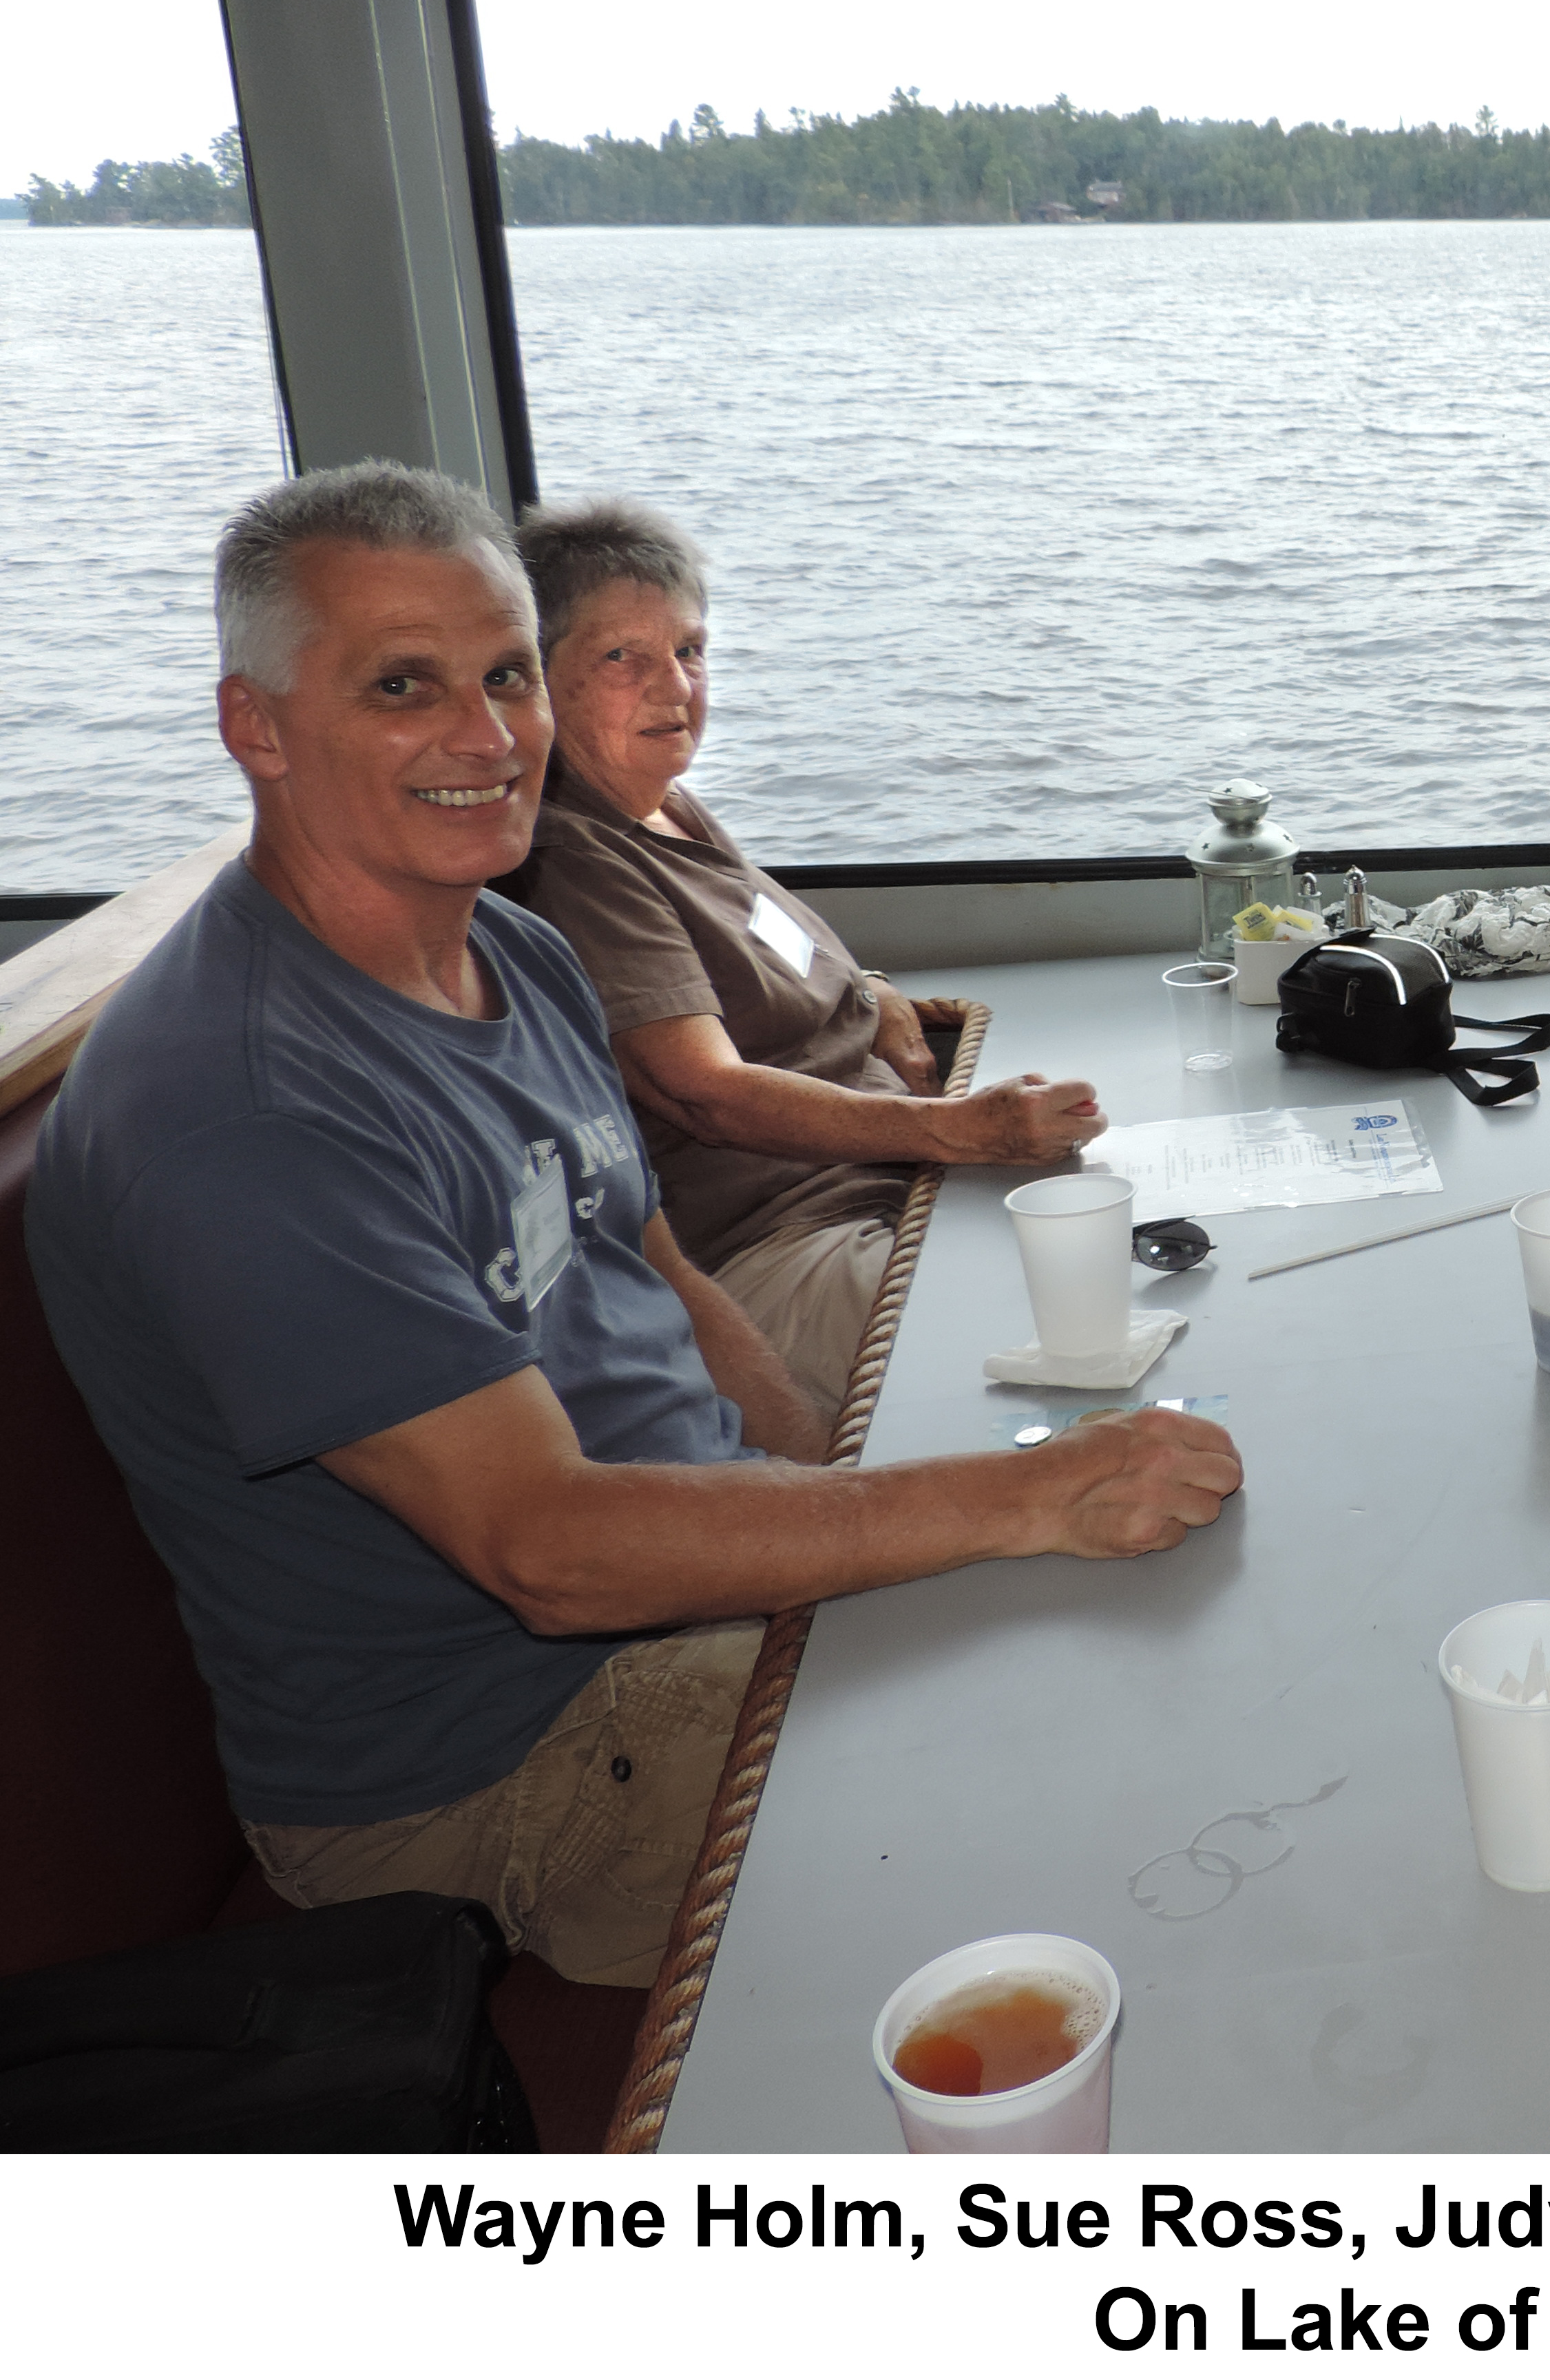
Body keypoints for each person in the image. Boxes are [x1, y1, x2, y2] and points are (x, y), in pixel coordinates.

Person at [25, 461, 1241, 1988]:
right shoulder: (246, 1111)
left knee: (1158, 1636)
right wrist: (1021, 1501)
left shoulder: (515, 949)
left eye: (508, 674)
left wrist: (836, 1486)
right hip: (499, 1758)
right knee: (1100, 1769)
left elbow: (654, 1258)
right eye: (403, 686)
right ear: (253, 723)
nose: (485, 737)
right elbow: (547, 1550)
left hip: (668, 1589)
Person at [507, 497, 1102, 1423]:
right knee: (1088, 1325)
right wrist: (959, 1132)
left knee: (1137, 1246)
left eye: (690, 651)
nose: (674, 688)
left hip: (893, 1183)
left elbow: (769, 969)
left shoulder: (666, 807)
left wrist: (871, 992)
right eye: (622, 657)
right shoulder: (576, 858)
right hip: (792, 1245)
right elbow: (705, 1089)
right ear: (535, 682)